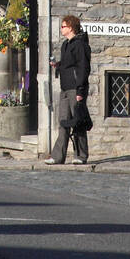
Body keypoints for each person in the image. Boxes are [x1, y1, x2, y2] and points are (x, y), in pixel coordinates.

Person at [45, 15, 91, 165]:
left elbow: (83, 68)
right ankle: (58, 156)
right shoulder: (66, 44)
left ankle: (81, 156)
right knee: (63, 122)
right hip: (65, 88)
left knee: (78, 122)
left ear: (71, 27)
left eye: (63, 26)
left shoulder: (80, 45)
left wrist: (80, 91)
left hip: (75, 89)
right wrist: (57, 65)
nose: (61, 29)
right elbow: (68, 65)